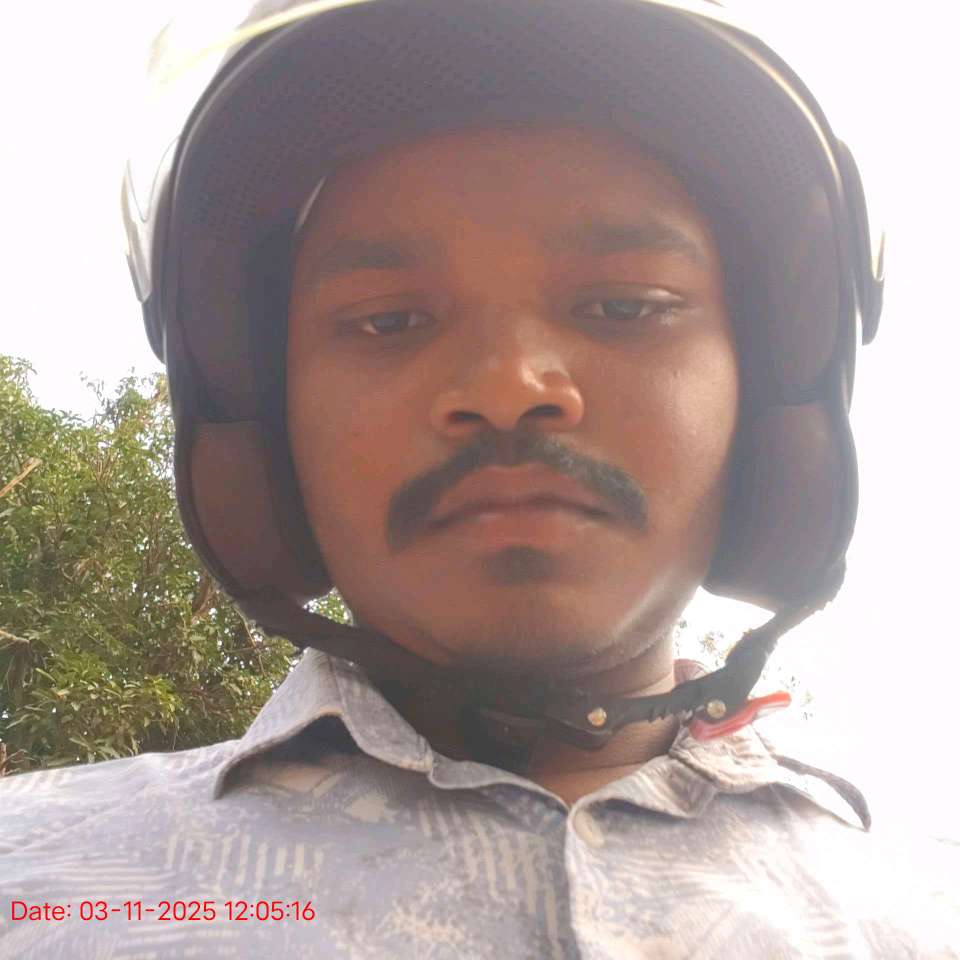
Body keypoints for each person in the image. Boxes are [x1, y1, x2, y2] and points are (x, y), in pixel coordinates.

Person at [2, 1, 956, 957]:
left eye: (625, 306)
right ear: (262, 412)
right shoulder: (32, 884)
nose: (510, 388)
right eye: (388, 321)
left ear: (770, 391)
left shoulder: (928, 908)